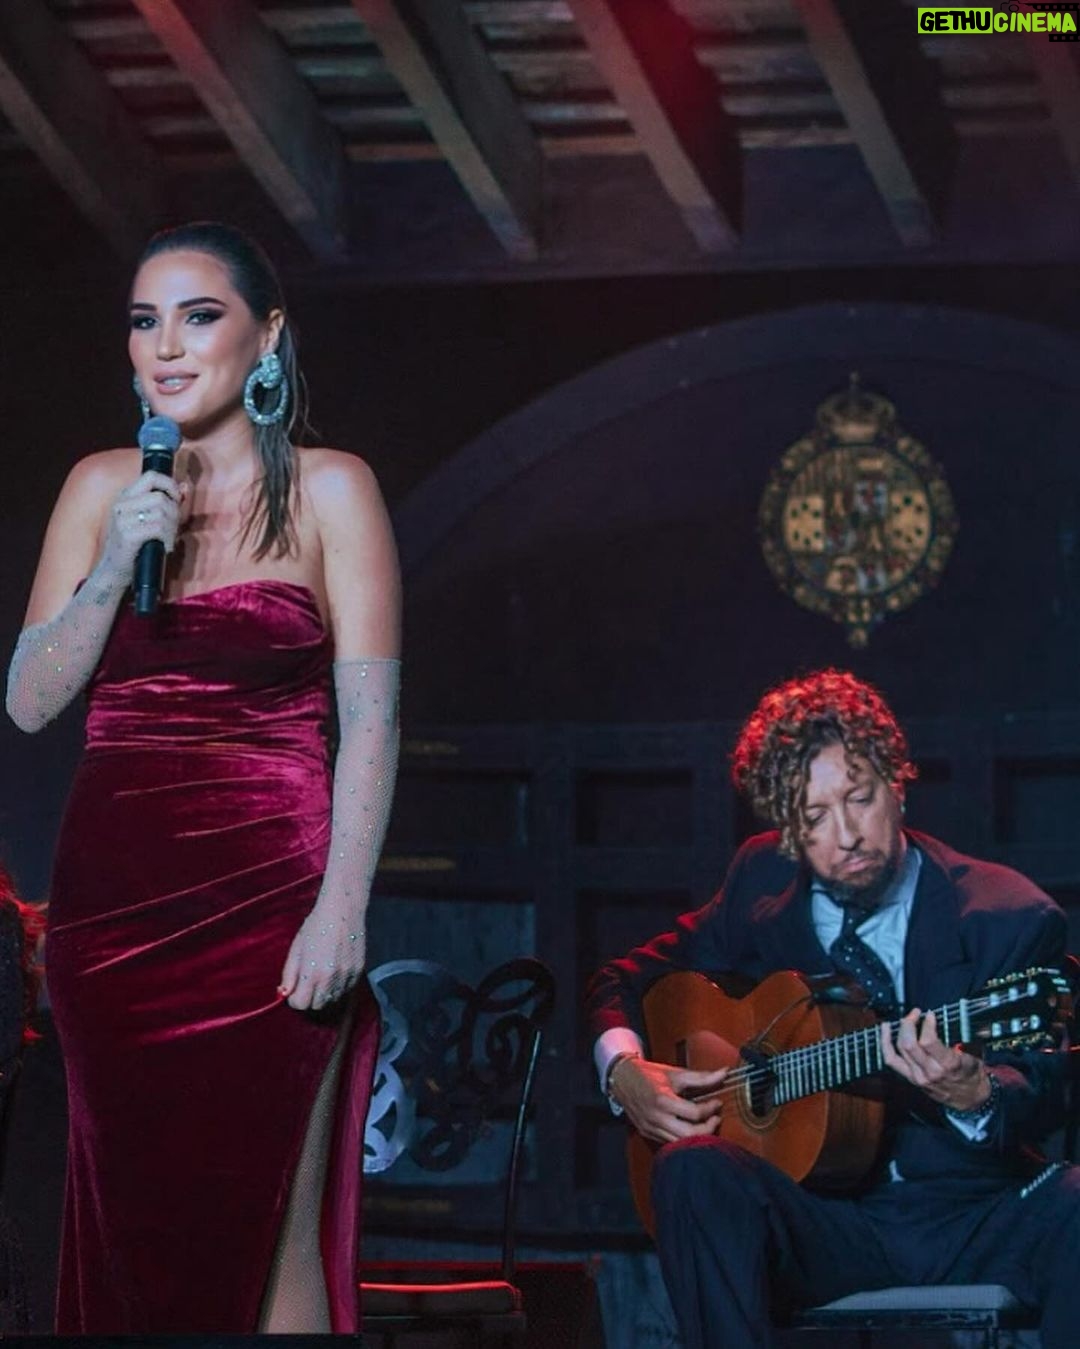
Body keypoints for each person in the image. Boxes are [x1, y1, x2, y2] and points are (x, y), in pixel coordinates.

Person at [5, 221, 401, 1333]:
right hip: (113, 917)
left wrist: (343, 908)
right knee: (125, 1229)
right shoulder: (100, 485)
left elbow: (373, 721)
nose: (166, 346)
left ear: (266, 337)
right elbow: (29, 701)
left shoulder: (333, 489)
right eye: (145, 321)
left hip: (274, 910)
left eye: (198, 315)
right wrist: (108, 570)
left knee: (275, 1233)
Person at [585, 669, 1079, 1349]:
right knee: (690, 1167)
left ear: (897, 781)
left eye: (859, 797)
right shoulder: (760, 882)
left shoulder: (1005, 914)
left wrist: (979, 1094)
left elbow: (1047, 1090)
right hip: (831, 1223)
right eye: (813, 818)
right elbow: (624, 979)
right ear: (787, 832)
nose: (845, 835)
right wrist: (624, 1073)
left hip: (972, 1215)